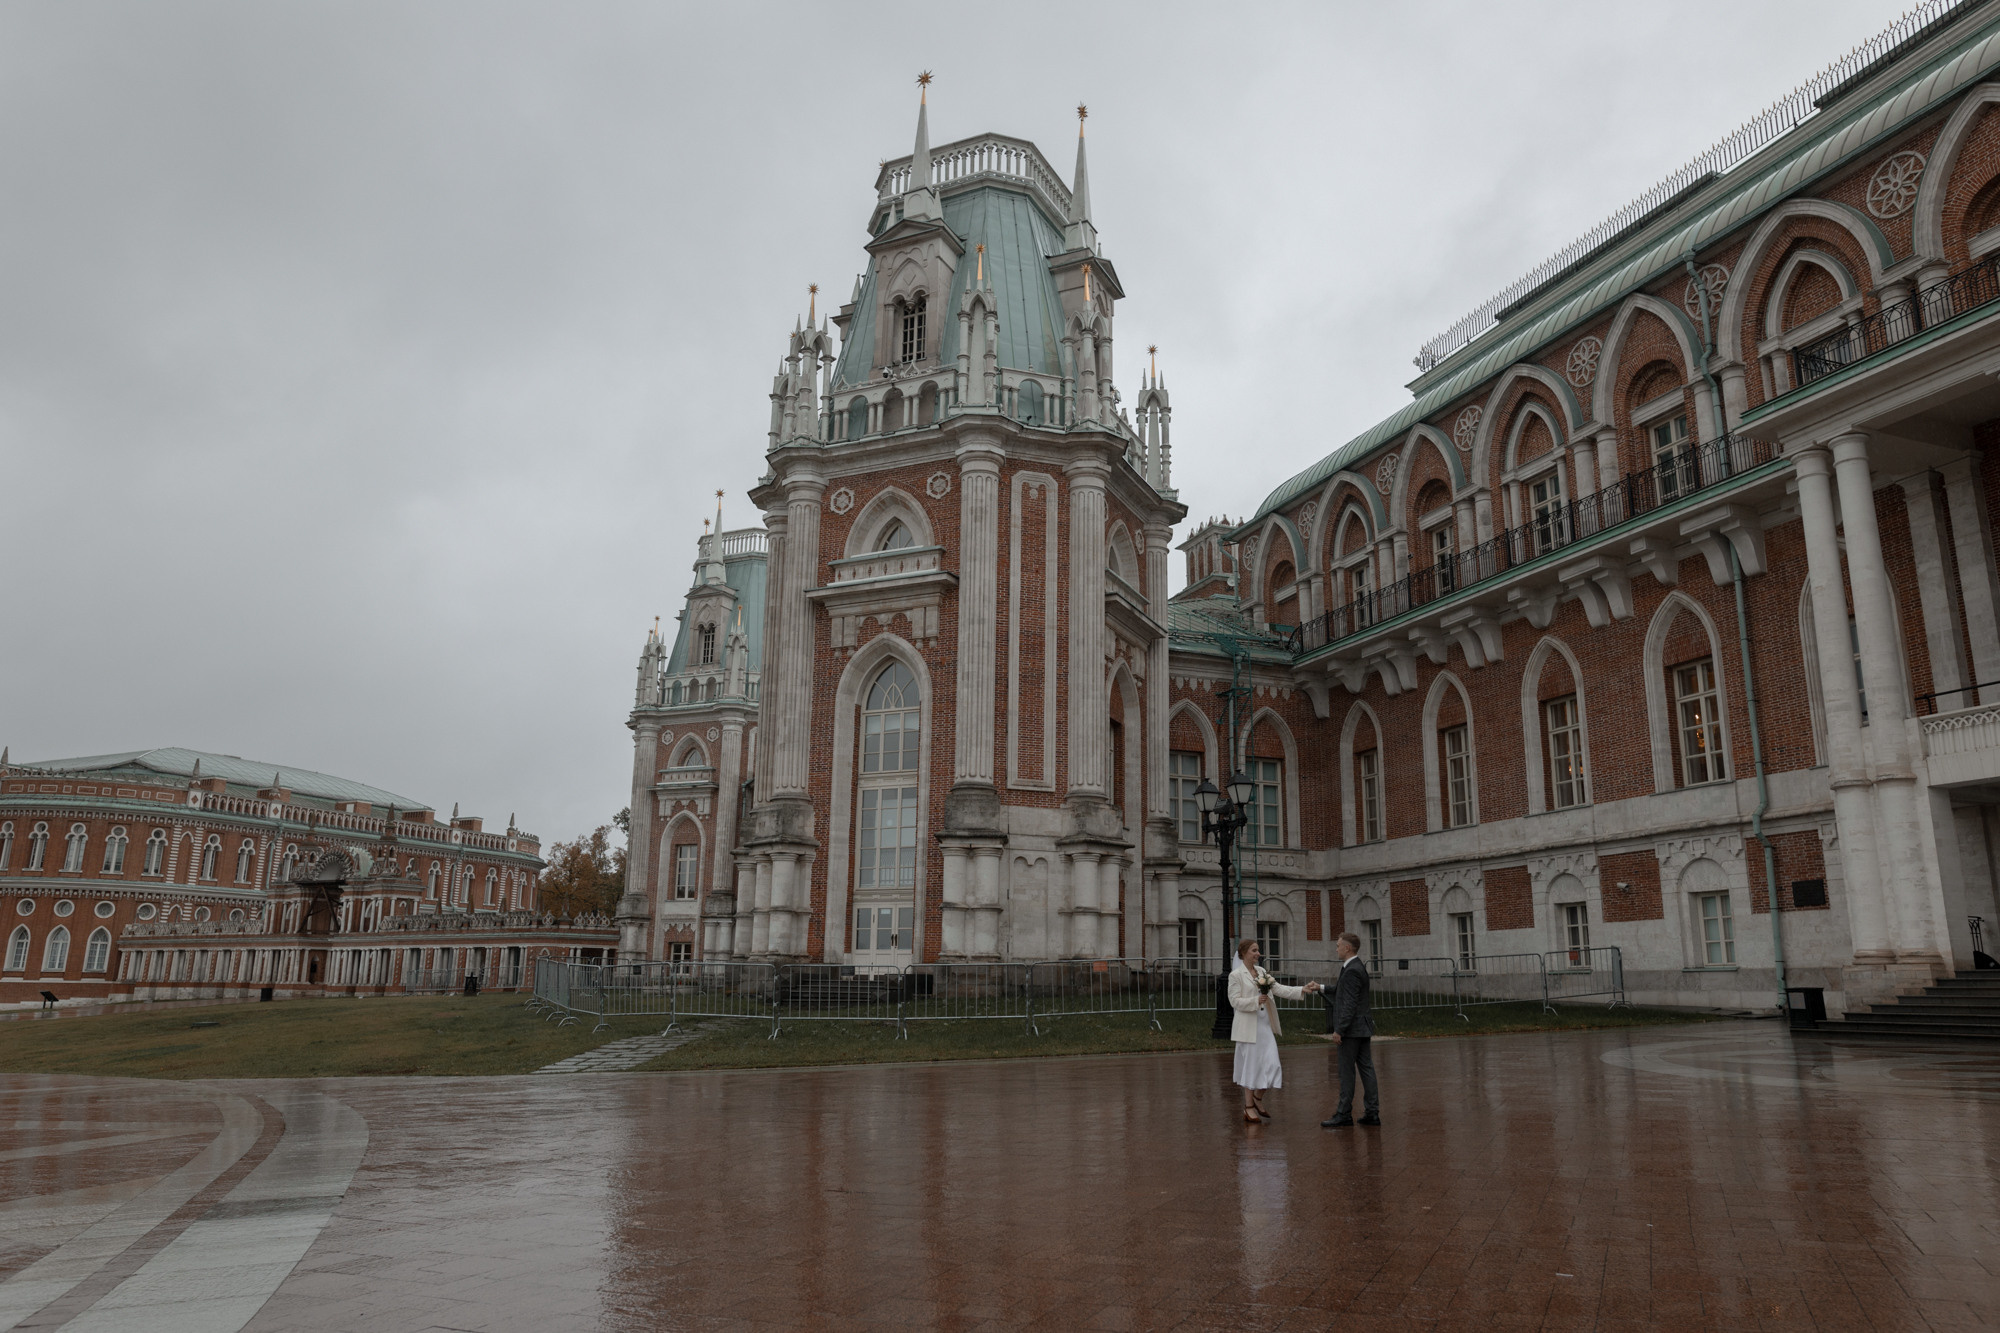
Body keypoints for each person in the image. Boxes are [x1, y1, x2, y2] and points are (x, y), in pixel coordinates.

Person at [1228, 938, 1322, 1123]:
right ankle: (1248, 1107)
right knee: (1251, 1067)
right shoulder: (1236, 975)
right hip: (1248, 1028)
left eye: (1258, 950)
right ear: (1244, 953)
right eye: (1254, 950)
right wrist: (1255, 1002)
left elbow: (1278, 988)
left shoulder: (1262, 971)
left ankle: (1257, 1098)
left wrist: (1301, 990)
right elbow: (1234, 1000)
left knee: (1273, 1065)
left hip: (1264, 1026)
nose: (1258, 953)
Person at [1322, 930, 1380, 1127]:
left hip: (1352, 1030)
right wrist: (1320, 988)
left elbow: (1350, 1004)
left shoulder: (1352, 969)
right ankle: (1372, 1113)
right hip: (1362, 1028)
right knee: (1367, 1069)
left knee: (1347, 1072)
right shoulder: (1355, 966)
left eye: (1338, 945)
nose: (1336, 948)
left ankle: (1344, 1113)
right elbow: (1341, 990)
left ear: (1347, 948)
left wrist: (1340, 1029)